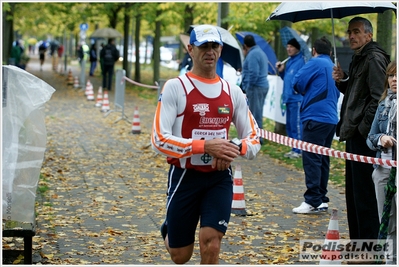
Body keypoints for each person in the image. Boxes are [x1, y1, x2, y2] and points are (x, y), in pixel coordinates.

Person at [151, 24, 261, 264]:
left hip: (218, 176)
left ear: (220, 50)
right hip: (184, 176)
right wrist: (205, 146)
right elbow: (158, 139)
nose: (209, 51)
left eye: (214, 46)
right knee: (180, 256)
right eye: (203, 46)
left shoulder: (233, 92)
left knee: (211, 241)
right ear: (190, 49)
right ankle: (170, 230)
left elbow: (253, 139)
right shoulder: (175, 87)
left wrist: (230, 146)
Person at [332, 17, 390, 241]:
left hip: (364, 138)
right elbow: (358, 93)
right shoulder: (360, 57)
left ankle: (368, 247)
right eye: (349, 33)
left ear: (369, 35)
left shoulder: (374, 58)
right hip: (354, 135)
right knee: (354, 194)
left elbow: (378, 99)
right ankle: (359, 243)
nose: (351, 36)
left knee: (365, 194)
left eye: (356, 32)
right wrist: (343, 80)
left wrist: (362, 128)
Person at [291, 37, 340, 214]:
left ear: (313, 51)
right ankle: (321, 199)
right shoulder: (334, 66)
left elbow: (297, 82)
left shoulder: (315, 62)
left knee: (312, 158)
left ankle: (312, 199)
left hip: (315, 116)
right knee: (323, 158)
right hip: (331, 118)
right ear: (331, 52)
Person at [366, 60, 396, 264]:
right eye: (391, 75)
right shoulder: (384, 104)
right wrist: (380, 139)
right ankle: (390, 259)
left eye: (398, 75)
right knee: (386, 219)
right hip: (382, 169)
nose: (394, 79)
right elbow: (370, 138)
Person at [276, 38, 305, 158]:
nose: (288, 49)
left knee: (296, 125)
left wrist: (295, 89)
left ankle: (299, 150)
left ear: (297, 48)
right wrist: (282, 72)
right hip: (288, 98)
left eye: (291, 47)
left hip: (296, 99)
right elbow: (287, 79)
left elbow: (300, 79)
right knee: (289, 126)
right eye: (287, 46)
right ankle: (293, 148)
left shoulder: (301, 61)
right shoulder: (290, 61)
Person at [240, 34, 269, 144]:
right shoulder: (260, 52)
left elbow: (254, 73)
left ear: (245, 46)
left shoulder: (252, 54)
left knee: (255, 114)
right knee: (257, 113)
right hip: (261, 85)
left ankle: (257, 138)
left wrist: (248, 86)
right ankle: (257, 136)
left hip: (256, 87)